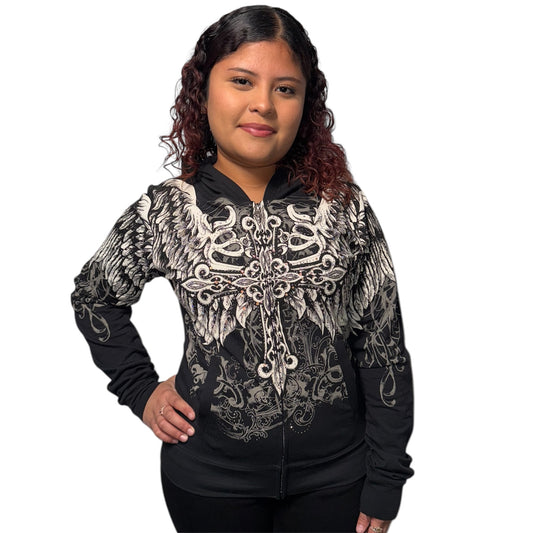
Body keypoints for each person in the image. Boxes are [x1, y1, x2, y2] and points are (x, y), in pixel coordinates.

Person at [71, 5, 414, 532]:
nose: (263, 104)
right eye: (241, 81)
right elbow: (94, 296)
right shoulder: (166, 211)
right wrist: (141, 389)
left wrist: (387, 476)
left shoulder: (344, 206)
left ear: (306, 104)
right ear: (203, 90)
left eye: (285, 89)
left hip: (337, 479)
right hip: (209, 483)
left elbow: (383, 345)